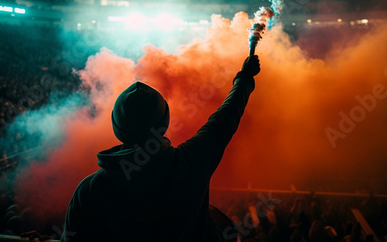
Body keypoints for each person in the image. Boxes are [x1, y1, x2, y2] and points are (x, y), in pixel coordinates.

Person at [62, 55, 261, 241]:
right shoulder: (190, 163)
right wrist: (244, 78)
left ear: (116, 126)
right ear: (164, 122)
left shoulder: (89, 191)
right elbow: (225, 118)